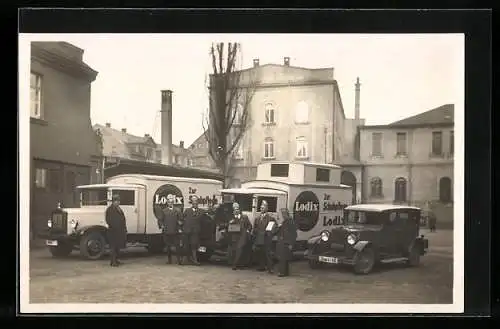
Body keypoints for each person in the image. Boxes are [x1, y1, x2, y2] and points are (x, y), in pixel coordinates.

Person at [252, 200, 277, 273]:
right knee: (260, 253)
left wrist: (271, 234)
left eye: (263, 208)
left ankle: (270, 268)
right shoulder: (257, 218)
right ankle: (261, 266)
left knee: (268, 254)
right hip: (259, 238)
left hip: (266, 238)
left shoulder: (270, 218)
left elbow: (275, 227)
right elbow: (255, 227)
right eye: (261, 208)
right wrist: (255, 233)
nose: (261, 209)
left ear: (267, 209)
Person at [159, 195, 184, 265]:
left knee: (177, 247)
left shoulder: (178, 210)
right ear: (167, 203)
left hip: (175, 231)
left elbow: (181, 220)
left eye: (171, 202)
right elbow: (160, 220)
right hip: (167, 231)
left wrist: (180, 226)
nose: (170, 203)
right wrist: (162, 225)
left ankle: (179, 260)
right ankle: (169, 260)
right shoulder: (164, 211)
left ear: (173, 203)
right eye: (169, 202)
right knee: (168, 247)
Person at [105, 194, 127, 267]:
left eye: (118, 201)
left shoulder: (119, 209)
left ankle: (116, 260)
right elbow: (109, 220)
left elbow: (122, 219)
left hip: (120, 231)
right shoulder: (110, 209)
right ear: (113, 201)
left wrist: (124, 229)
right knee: (113, 247)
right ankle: (113, 261)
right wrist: (115, 227)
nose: (118, 202)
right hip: (113, 231)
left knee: (117, 247)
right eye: (116, 201)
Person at [229, 202, 253, 270]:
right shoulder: (232, 218)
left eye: (237, 209)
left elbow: (250, 225)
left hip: (242, 236)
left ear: (239, 210)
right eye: (234, 209)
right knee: (235, 250)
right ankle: (239, 264)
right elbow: (229, 227)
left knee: (240, 249)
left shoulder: (244, 217)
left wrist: (248, 230)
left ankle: (235, 265)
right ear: (233, 210)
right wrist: (230, 223)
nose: (236, 210)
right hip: (234, 236)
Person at [275, 209, 297, 277]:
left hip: (286, 242)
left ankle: (282, 272)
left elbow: (294, 234)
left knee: (283, 258)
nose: (281, 216)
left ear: (285, 214)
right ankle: (285, 272)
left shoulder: (290, 222)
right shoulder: (284, 222)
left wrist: (291, 243)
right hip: (282, 242)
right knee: (283, 258)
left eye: (282, 214)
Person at [183, 196, 204, 265]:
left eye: (196, 201)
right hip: (187, 231)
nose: (195, 202)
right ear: (191, 202)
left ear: (198, 202)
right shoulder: (187, 211)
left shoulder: (201, 211)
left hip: (195, 232)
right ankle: (187, 259)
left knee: (194, 246)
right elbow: (183, 219)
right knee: (186, 245)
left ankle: (195, 260)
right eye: (193, 201)